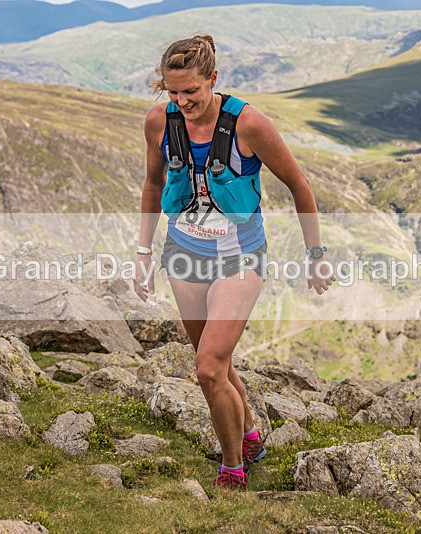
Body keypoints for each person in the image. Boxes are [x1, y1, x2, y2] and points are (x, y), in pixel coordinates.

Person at [135, 35, 335, 490]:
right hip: (183, 253)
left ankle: (232, 468)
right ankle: (249, 436)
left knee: (207, 367)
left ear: (213, 79)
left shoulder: (249, 125)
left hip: (239, 255)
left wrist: (316, 255)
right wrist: (143, 254)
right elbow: (152, 185)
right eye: (173, 92)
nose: (182, 101)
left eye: (191, 91)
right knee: (217, 364)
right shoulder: (158, 122)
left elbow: (300, 185)